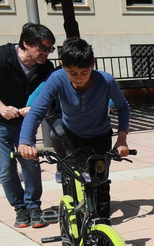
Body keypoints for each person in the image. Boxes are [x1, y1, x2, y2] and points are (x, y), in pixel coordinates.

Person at [18, 38, 131, 221]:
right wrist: (25, 141)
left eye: (84, 73)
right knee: (75, 177)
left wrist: (122, 139)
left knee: (100, 183)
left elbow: (123, 106)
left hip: (100, 135)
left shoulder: (106, 80)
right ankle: (74, 217)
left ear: (93, 65)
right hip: (72, 135)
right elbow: (37, 111)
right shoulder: (58, 79)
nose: (78, 78)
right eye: (72, 73)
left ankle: (102, 230)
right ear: (63, 66)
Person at [0, 22, 56, 228]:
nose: (46, 53)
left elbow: (49, 92)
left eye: (50, 49)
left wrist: (34, 107)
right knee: (6, 167)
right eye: (42, 48)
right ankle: (20, 208)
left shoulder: (46, 68)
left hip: (24, 121)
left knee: (30, 161)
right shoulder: (2, 57)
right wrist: (2, 108)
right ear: (26, 44)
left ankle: (33, 206)